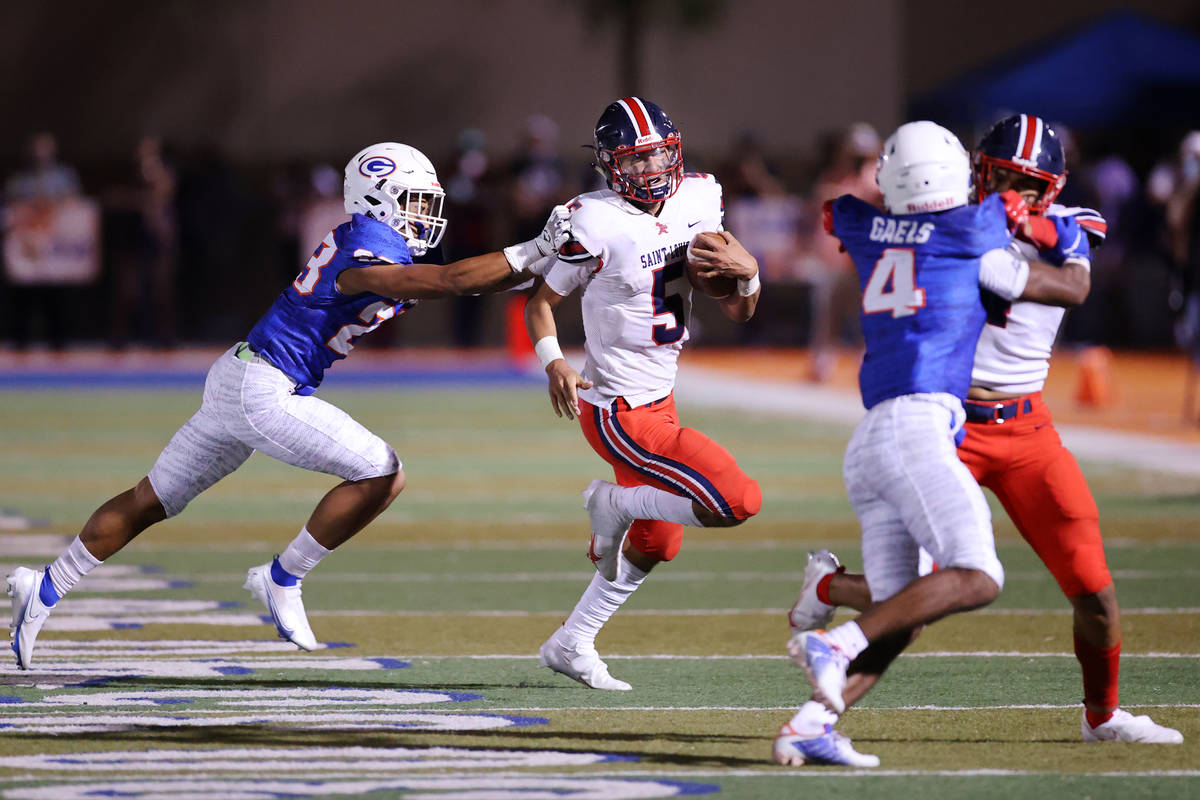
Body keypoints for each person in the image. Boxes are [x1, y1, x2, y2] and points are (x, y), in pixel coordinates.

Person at [6, 141, 568, 670]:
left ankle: (47, 584)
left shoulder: (373, 240)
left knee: (149, 500)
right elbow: (448, 280)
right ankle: (282, 576)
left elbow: (460, 282)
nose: (426, 215)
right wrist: (533, 249)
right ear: (380, 198)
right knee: (382, 472)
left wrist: (542, 266)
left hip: (240, 375)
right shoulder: (364, 249)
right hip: (263, 387)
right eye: (416, 202)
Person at [787, 115, 1184, 746]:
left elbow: (1084, 245)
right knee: (914, 605)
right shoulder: (943, 219)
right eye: (999, 177)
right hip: (945, 423)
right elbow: (861, 216)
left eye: (1025, 183)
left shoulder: (1063, 224)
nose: (1010, 190)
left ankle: (1102, 716)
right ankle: (817, 719)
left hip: (1027, 430)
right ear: (975, 172)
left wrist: (1019, 222)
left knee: (1095, 592)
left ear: (1050, 187)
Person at [524, 97, 763, 691]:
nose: (651, 167)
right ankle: (613, 505)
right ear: (609, 164)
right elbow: (539, 302)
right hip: (617, 411)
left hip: (662, 397)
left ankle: (572, 641)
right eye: (635, 159)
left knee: (660, 541)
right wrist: (553, 361)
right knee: (737, 500)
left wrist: (750, 275)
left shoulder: (701, 197)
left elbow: (738, 310)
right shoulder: (591, 220)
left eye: (657, 153)